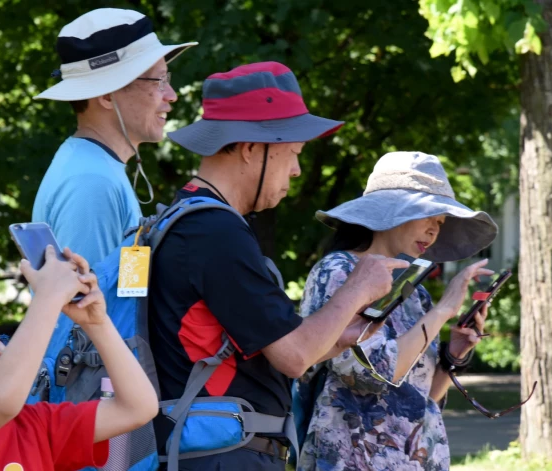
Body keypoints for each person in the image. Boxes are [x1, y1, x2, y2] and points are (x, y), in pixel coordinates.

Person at [148, 61, 410, 470]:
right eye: (293, 153)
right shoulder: (215, 231)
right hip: (223, 458)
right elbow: (293, 356)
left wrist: (337, 335)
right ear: (252, 149)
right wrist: (358, 286)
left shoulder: (188, 220)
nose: (297, 170)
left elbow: (267, 349)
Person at [295, 151, 499, 471]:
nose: (434, 231)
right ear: (392, 210)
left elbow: (421, 397)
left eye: (440, 222)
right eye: (428, 216)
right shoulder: (340, 271)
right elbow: (370, 376)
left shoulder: (414, 292)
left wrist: (453, 356)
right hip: (351, 459)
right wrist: (445, 309)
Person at [0, 246, 158, 470]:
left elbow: (138, 408)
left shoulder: (36, 422)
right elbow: (0, 402)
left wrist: (97, 323)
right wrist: (48, 298)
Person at [32, 8, 197, 265]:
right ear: (108, 95)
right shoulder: (92, 182)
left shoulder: (97, 167)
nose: (171, 95)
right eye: (159, 80)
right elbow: (81, 305)